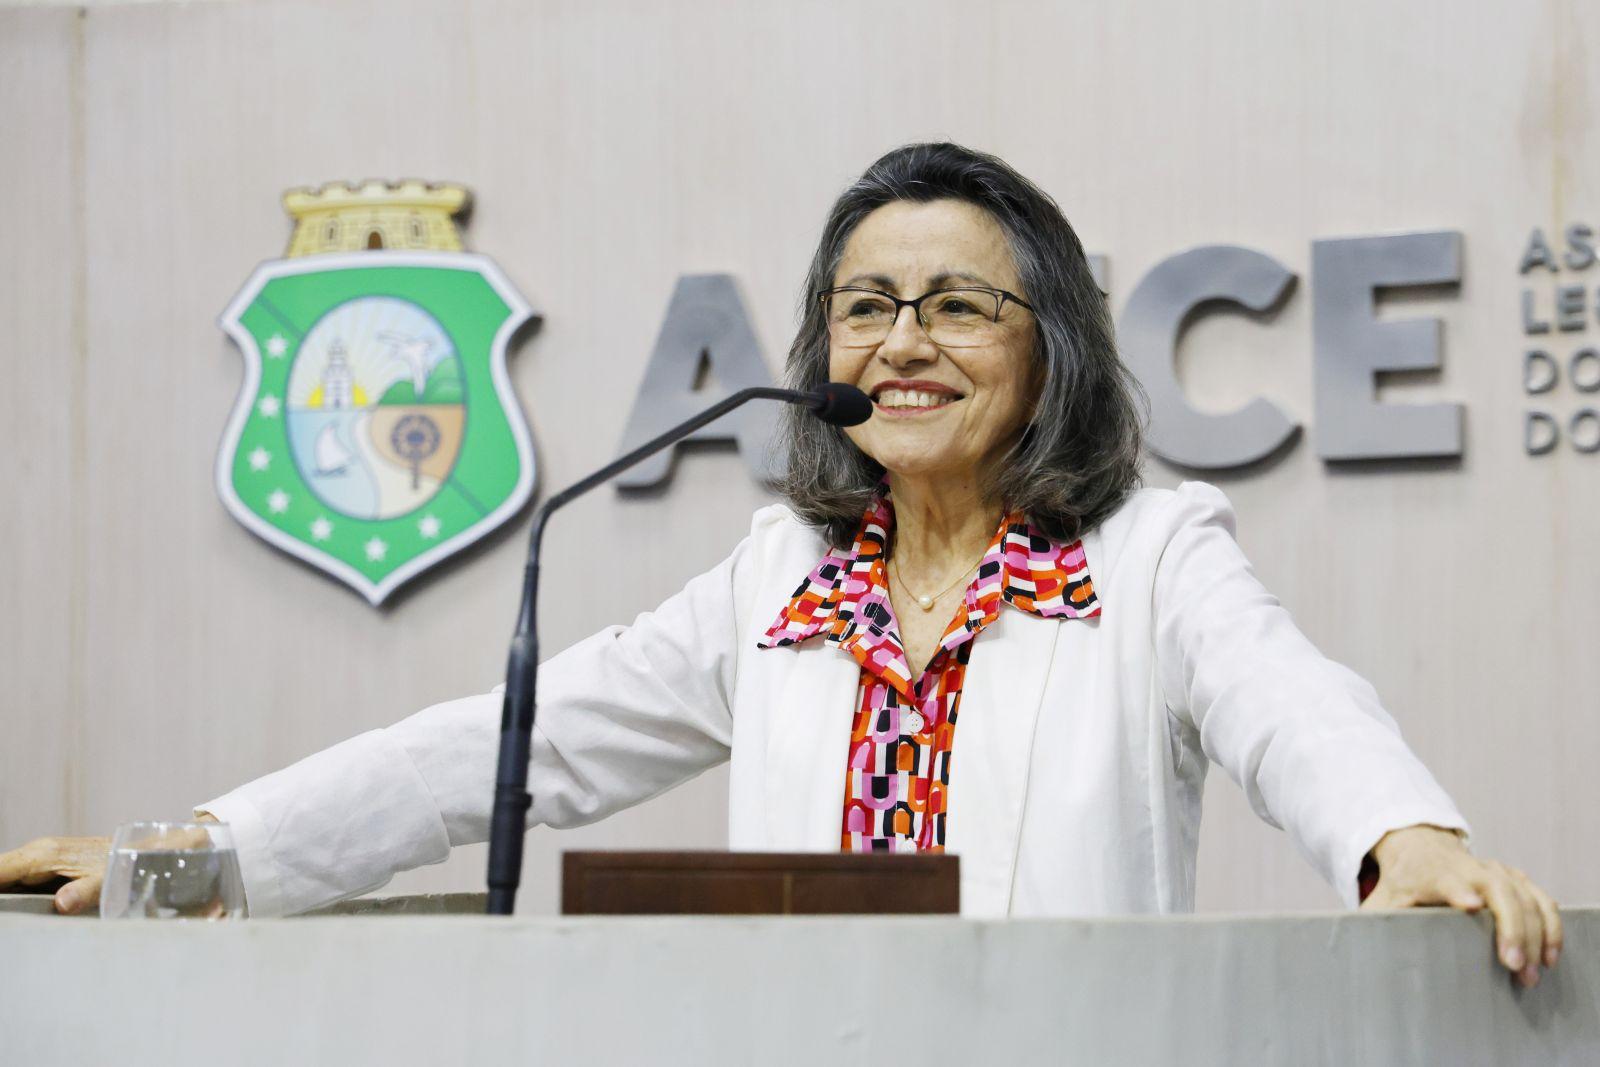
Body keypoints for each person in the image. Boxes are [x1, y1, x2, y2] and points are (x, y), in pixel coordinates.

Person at [0, 142, 1561, 987]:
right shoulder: (779, 581)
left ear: (1052, 352)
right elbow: (495, 754)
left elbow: (1293, 708)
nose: (904, 343)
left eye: (959, 307)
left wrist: (1402, 837)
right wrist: (202, 852)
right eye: (867, 307)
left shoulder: (1148, 558)